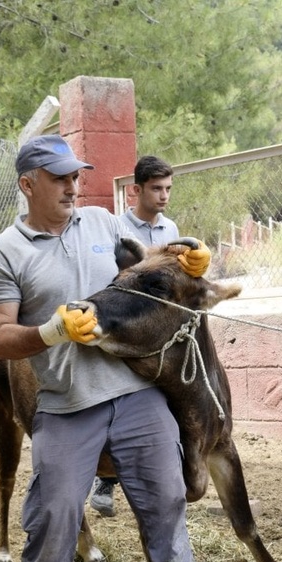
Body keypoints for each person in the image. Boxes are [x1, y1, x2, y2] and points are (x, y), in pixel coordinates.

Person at [0, 135, 215, 562]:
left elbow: (146, 264)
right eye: (59, 177)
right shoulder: (4, 253)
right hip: (65, 402)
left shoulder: (102, 224)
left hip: (136, 394)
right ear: (27, 184)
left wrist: (186, 259)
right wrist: (51, 332)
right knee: (56, 510)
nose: (72, 185)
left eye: (74, 175)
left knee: (166, 501)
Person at [88, 155, 181, 517]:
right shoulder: (116, 229)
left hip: (162, 333)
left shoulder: (171, 229)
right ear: (135, 190)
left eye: (168, 189)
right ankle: (106, 481)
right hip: (128, 329)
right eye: (156, 189)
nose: (163, 196)